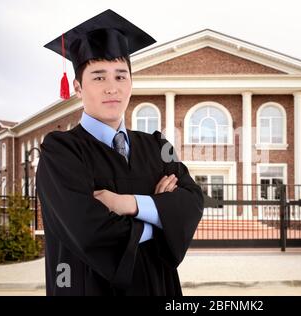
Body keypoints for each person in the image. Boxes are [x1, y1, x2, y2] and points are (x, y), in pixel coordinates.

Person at [36, 9, 204, 296]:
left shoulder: (156, 145)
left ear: (131, 82)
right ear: (78, 87)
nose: (112, 88)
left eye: (120, 76)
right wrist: (161, 216)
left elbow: (192, 202)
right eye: (99, 78)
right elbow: (87, 230)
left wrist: (129, 204)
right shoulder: (60, 151)